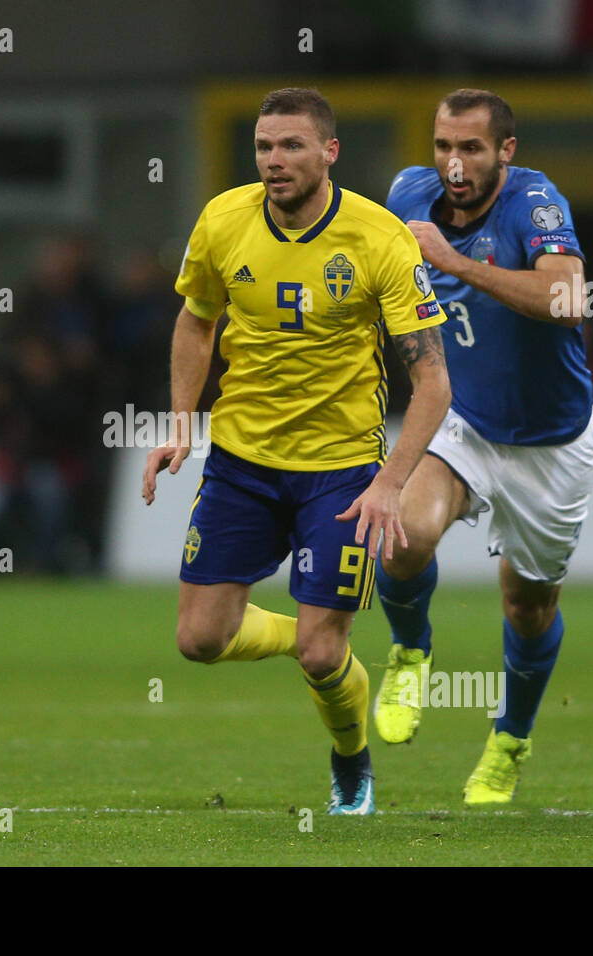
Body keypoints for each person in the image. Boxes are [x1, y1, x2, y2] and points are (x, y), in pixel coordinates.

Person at [142, 88, 451, 815]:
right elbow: (196, 322)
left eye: (290, 147)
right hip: (242, 464)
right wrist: (181, 420)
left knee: (322, 656)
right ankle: (310, 630)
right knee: (199, 640)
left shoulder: (378, 239)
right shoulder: (223, 220)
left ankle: (351, 763)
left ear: (329, 153)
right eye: (263, 147)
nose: (274, 162)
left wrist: (389, 484)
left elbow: (432, 380)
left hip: (340, 473)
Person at [376, 89, 593, 804]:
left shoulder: (535, 202)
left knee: (526, 608)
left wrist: (456, 262)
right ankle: (411, 651)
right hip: (464, 423)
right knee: (403, 538)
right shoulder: (407, 194)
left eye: (470, 148)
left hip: (549, 445)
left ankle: (510, 737)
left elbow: (569, 299)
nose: (453, 163)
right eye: (444, 146)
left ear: (505, 151)